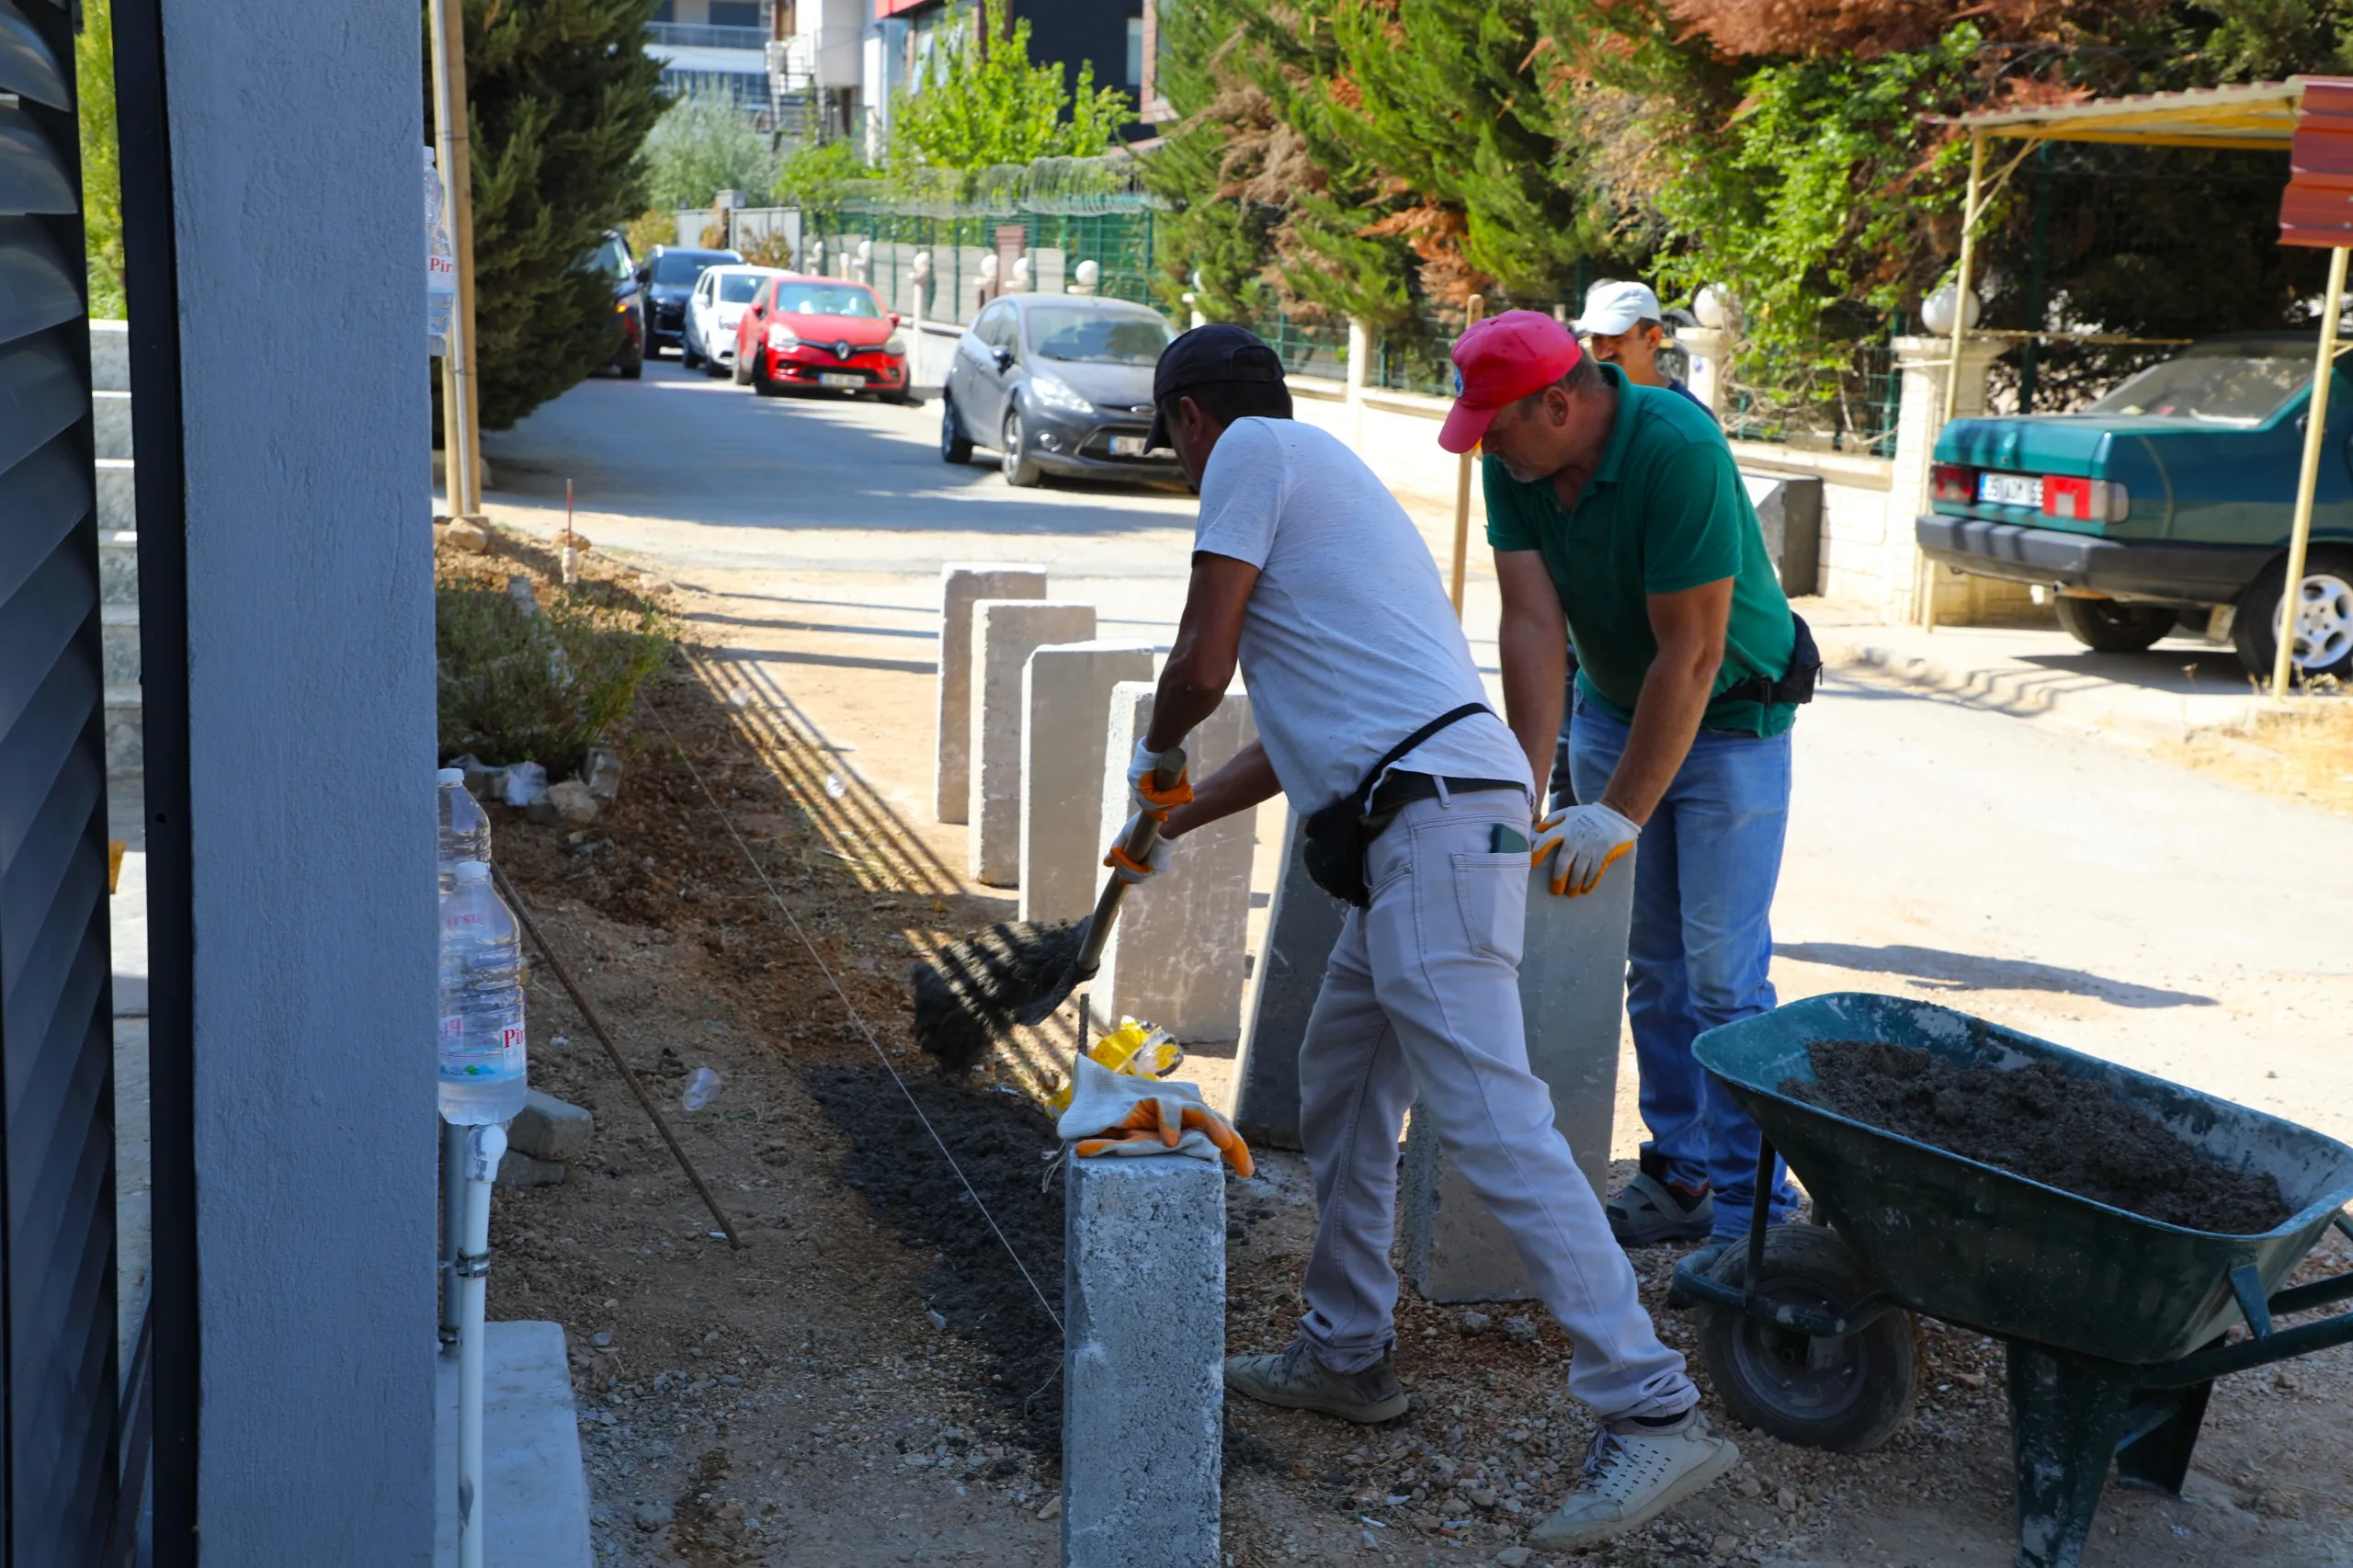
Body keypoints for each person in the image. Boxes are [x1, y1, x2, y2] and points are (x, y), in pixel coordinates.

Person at [1121, 324, 1737, 1551]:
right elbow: (1298, 732)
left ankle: (1648, 1400)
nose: (1186, 465)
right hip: (1430, 815)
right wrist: (1174, 813)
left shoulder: (1248, 449)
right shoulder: (1317, 471)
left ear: (1191, 417)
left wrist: (1154, 753)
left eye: (1172, 443)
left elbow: (1202, 660)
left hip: (1437, 827)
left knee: (1488, 1107)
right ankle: (1347, 1350)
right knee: (1342, 1085)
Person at [1438, 309, 1805, 1261]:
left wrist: (1616, 811)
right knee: (1652, 966)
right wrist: (1521, 784)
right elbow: (1528, 622)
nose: (1483, 444)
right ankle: (1681, 1171)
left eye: (1497, 425)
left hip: (1731, 718)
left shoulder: (1676, 448)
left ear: (1558, 403)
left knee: (1723, 978)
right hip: (1608, 709)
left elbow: (1690, 654)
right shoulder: (1512, 459)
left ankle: (1750, 1216)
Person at [1551, 281, 1713, 808]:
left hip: (1659, 638)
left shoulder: (1692, 428)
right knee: (1568, 789)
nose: (1601, 352)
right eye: (1592, 340)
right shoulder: (1579, 422)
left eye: (1614, 339)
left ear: (1653, 338)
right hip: (1587, 638)